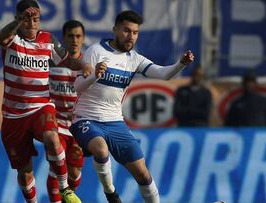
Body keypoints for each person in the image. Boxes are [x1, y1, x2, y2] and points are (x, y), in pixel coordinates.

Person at [69, 10, 194, 203]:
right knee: (101, 150)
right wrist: (94, 76)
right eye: (126, 31)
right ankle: (111, 194)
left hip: (115, 122)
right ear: (115, 29)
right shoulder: (95, 51)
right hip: (86, 118)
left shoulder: (134, 59)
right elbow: (77, 87)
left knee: (143, 174)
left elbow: (163, 74)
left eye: (135, 32)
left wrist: (181, 64)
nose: (131, 36)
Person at [0, 1, 90, 202]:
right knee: (25, 172)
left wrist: (84, 65)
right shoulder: (12, 40)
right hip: (14, 115)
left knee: (51, 137)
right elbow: (1, 37)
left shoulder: (48, 40)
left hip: (41, 105)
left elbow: (67, 60)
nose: (32, 23)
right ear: (18, 20)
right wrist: (18, 22)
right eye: (26, 19)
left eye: (35, 19)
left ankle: (64, 188)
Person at [47, 20, 86, 203]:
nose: (74, 40)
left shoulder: (88, 66)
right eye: (70, 36)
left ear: (83, 39)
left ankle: (66, 198)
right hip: (56, 125)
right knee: (56, 168)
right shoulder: (51, 63)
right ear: (63, 38)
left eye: (78, 36)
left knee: (75, 172)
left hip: (78, 126)